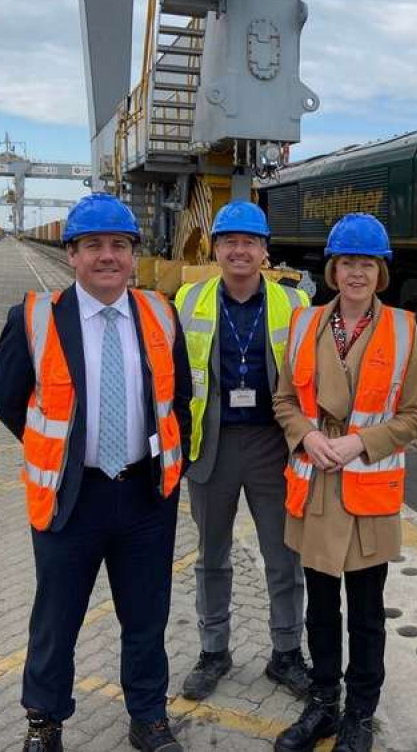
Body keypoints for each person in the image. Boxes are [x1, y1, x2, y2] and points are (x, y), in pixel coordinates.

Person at [0, 192, 192, 752]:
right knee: (57, 620)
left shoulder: (160, 313)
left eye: (120, 246)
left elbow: (180, 401)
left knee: (147, 618)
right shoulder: (34, 318)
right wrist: (60, 455)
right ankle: (44, 723)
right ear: (73, 254)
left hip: (145, 499)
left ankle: (149, 718)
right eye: (94, 245)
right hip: (70, 499)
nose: (109, 256)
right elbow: (7, 401)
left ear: (133, 255)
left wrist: (168, 473)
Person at [271, 213, 417, 752]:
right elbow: (285, 399)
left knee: (365, 611)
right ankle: (322, 704)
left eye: (367, 263)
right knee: (320, 606)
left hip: (367, 491)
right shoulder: (304, 325)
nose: (356, 273)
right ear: (333, 269)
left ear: (380, 272)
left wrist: (360, 443)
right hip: (316, 484)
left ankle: (360, 712)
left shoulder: (404, 330)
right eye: (347, 263)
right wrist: (308, 437)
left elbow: (415, 415)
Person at [174, 200, 312, 702]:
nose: (239, 250)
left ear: (265, 251)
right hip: (210, 444)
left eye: (249, 242)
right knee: (212, 556)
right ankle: (214, 650)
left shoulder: (293, 306)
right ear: (215, 249)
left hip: (272, 446)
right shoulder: (188, 300)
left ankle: (286, 653)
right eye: (229, 241)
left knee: (284, 555)